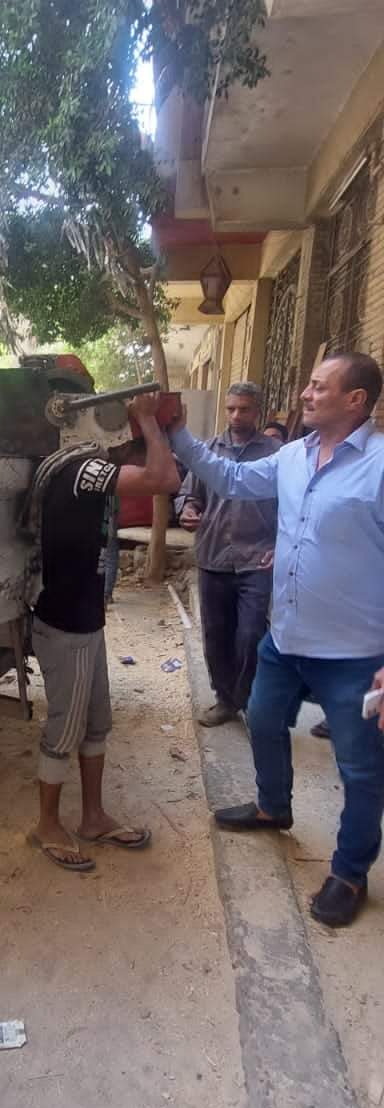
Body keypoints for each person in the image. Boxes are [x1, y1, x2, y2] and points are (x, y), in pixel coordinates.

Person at [167, 351, 384, 928]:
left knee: (361, 769)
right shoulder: (292, 456)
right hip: (285, 640)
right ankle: (273, 806)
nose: (305, 394)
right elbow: (231, 479)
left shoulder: (380, 465)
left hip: (355, 654)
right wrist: (178, 433)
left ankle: (349, 872)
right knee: (262, 720)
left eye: (318, 386)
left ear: (355, 399)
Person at [22, 390, 181, 871]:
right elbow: (165, 479)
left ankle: (92, 818)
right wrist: (148, 420)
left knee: (96, 727)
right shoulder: (79, 468)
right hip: (65, 624)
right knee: (64, 729)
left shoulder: (81, 468)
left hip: (85, 620)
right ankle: (46, 825)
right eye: (127, 439)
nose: (130, 448)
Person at [178, 382, 280, 727]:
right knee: (216, 635)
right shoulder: (208, 451)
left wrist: (281, 545)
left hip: (257, 559)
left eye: (244, 409)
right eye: (231, 408)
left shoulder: (276, 454)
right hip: (214, 556)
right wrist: (188, 509)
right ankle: (225, 700)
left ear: (257, 411)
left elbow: (293, 506)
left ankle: (247, 698)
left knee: (251, 635)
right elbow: (189, 495)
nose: (236, 415)